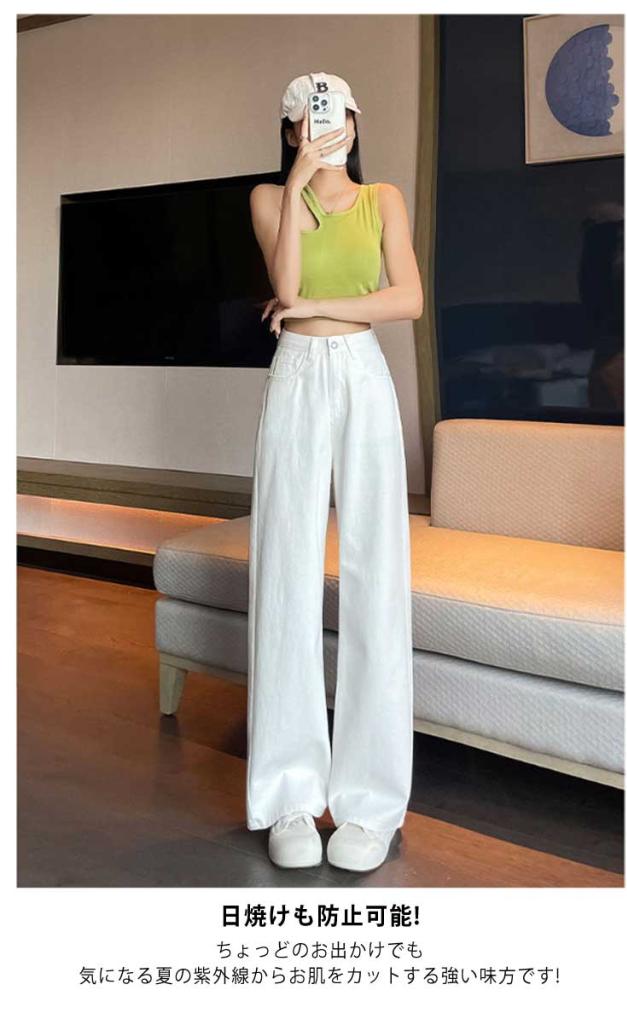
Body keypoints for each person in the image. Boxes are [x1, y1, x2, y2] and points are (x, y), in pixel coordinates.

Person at [247, 72, 423, 873]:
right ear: (291, 131)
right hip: (295, 375)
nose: (325, 123)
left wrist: (328, 310)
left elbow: (407, 300)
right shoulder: (269, 198)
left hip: (361, 373)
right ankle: (288, 794)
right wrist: (295, 184)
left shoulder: (384, 198)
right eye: (307, 115)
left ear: (355, 119)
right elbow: (285, 289)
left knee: (375, 571)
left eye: (337, 110)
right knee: (284, 569)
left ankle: (370, 801)